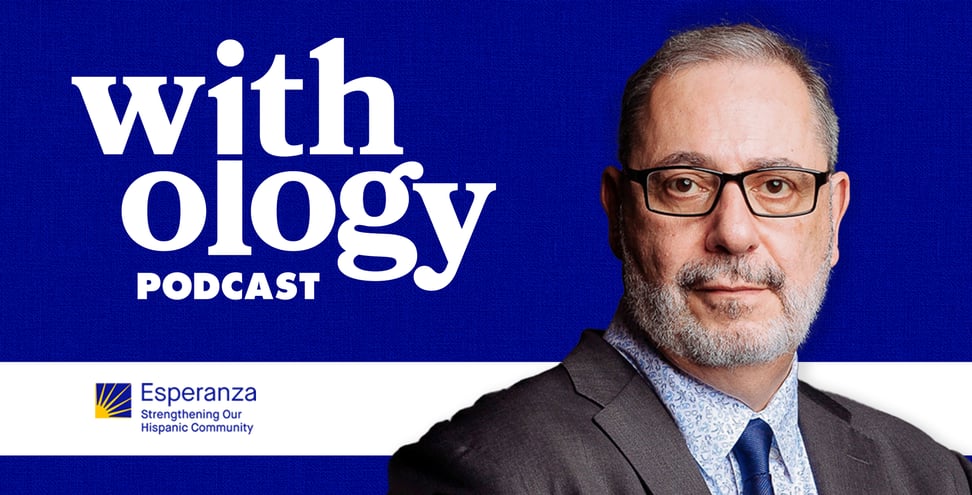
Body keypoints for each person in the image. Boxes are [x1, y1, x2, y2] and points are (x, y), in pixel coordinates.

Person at [388, 23, 972, 494]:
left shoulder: (933, 476)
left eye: (776, 186)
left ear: (834, 216)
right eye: (685, 184)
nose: (735, 233)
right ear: (619, 212)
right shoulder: (491, 473)